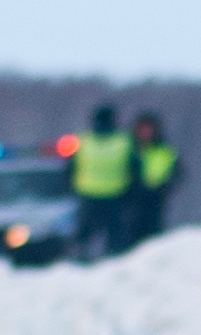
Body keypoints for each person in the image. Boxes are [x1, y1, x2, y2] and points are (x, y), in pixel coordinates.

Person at [68, 103, 134, 261]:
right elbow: (133, 168)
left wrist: (71, 189)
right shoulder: (124, 141)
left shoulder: (83, 140)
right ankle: (113, 260)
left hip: (87, 193)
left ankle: (80, 260)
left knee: (85, 232)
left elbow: (70, 167)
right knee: (115, 233)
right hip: (115, 194)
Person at [123, 112, 179, 251]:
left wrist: (165, 187)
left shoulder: (164, 150)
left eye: (149, 129)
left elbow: (177, 172)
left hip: (155, 199)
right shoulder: (128, 148)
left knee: (153, 239)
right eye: (143, 129)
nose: (146, 132)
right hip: (131, 198)